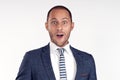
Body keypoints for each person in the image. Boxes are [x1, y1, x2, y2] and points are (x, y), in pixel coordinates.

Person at [16, 5, 97, 80]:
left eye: (64, 22)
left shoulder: (87, 60)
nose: (59, 27)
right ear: (47, 26)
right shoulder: (31, 58)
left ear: (72, 26)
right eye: (54, 22)